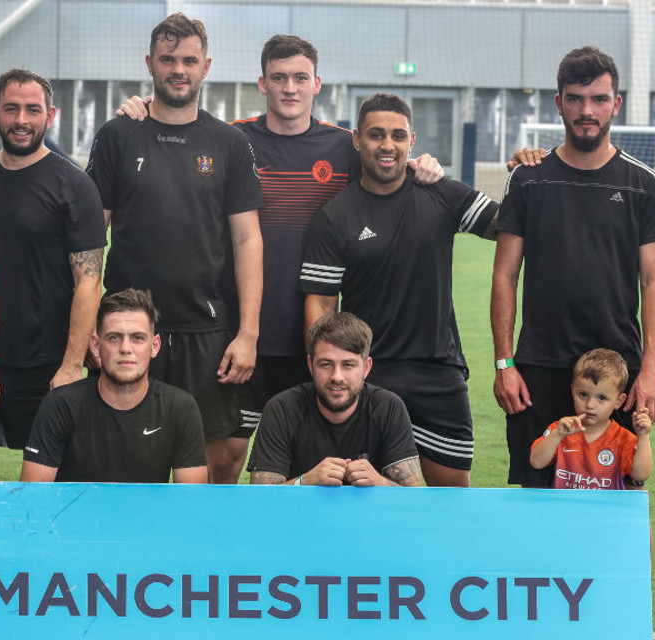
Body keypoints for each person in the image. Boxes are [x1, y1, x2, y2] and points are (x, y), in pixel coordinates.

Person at [116, 37, 444, 463]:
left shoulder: (346, 147)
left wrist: (424, 164)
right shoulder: (229, 140)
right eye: (279, 78)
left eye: (300, 78)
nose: (290, 88)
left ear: (317, 84)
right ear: (262, 83)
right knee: (225, 455)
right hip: (238, 332)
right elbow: (176, 124)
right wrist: (139, 109)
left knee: (312, 458)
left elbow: (390, 160)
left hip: (313, 336)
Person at [85, 13, 263, 484]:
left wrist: (247, 334)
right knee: (125, 455)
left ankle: (206, 555)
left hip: (207, 329)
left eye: (189, 60)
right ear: (150, 64)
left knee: (220, 458)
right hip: (129, 328)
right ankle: (130, 554)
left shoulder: (228, 143)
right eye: (168, 60)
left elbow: (248, 239)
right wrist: (87, 330)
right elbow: (88, 241)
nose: (178, 69)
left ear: (207, 66)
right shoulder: (117, 135)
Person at [492, 46, 655, 487]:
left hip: (617, 370)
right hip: (539, 368)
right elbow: (504, 276)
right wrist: (504, 364)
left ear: (616, 104)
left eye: (598, 99)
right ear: (559, 103)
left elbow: (654, 282)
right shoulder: (529, 179)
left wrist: (650, 370)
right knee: (534, 496)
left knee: (622, 499)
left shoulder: (643, 185)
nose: (586, 110)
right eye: (575, 98)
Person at [301, 93, 499, 487]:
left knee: (451, 500)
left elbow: (509, 225)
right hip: (372, 376)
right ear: (357, 139)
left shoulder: (441, 193)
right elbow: (321, 302)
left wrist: (525, 172)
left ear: (412, 139)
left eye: (397, 135)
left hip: (438, 373)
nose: (387, 145)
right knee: (361, 494)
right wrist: (333, 368)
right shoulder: (335, 216)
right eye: (376, 135)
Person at [0, 68, 106, 481]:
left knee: (48, 489)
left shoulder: (74, 185)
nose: (22, 119)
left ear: (50, 116)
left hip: (48, 363)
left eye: (32, 110)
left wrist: (72, 365)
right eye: (12, 108)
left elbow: (89, 281)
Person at [20, 289, 208, 483]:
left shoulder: (180, 407)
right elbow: (33, 500)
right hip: (78, 513)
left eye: (137, 338)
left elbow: (190, 502)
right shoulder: (60, 405)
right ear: (95, 346)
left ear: (154, 346)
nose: (125, 348)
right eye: (114, 337)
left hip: (146, 514)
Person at [247, 312, 421, 487]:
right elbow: (261, 498)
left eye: (348, 365)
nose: (337, 376)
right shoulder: (282, 408)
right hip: (301, 514)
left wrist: (379, 483)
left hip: (366, 514)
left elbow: (414, 498)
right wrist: (304, 482)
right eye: (326, 364)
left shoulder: (388, 407)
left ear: (366, 367)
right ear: (310, 365)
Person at [530, 348, 653, 490]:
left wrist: (643, 437)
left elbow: (641, 475)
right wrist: (557, 435)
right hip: (565, 509)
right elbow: (536, 462)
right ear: (572, 391)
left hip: (605, 511)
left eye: (602, 398)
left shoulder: (623, 439)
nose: (590, 405)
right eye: (583, 394)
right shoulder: (560, 429)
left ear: (619, 401)